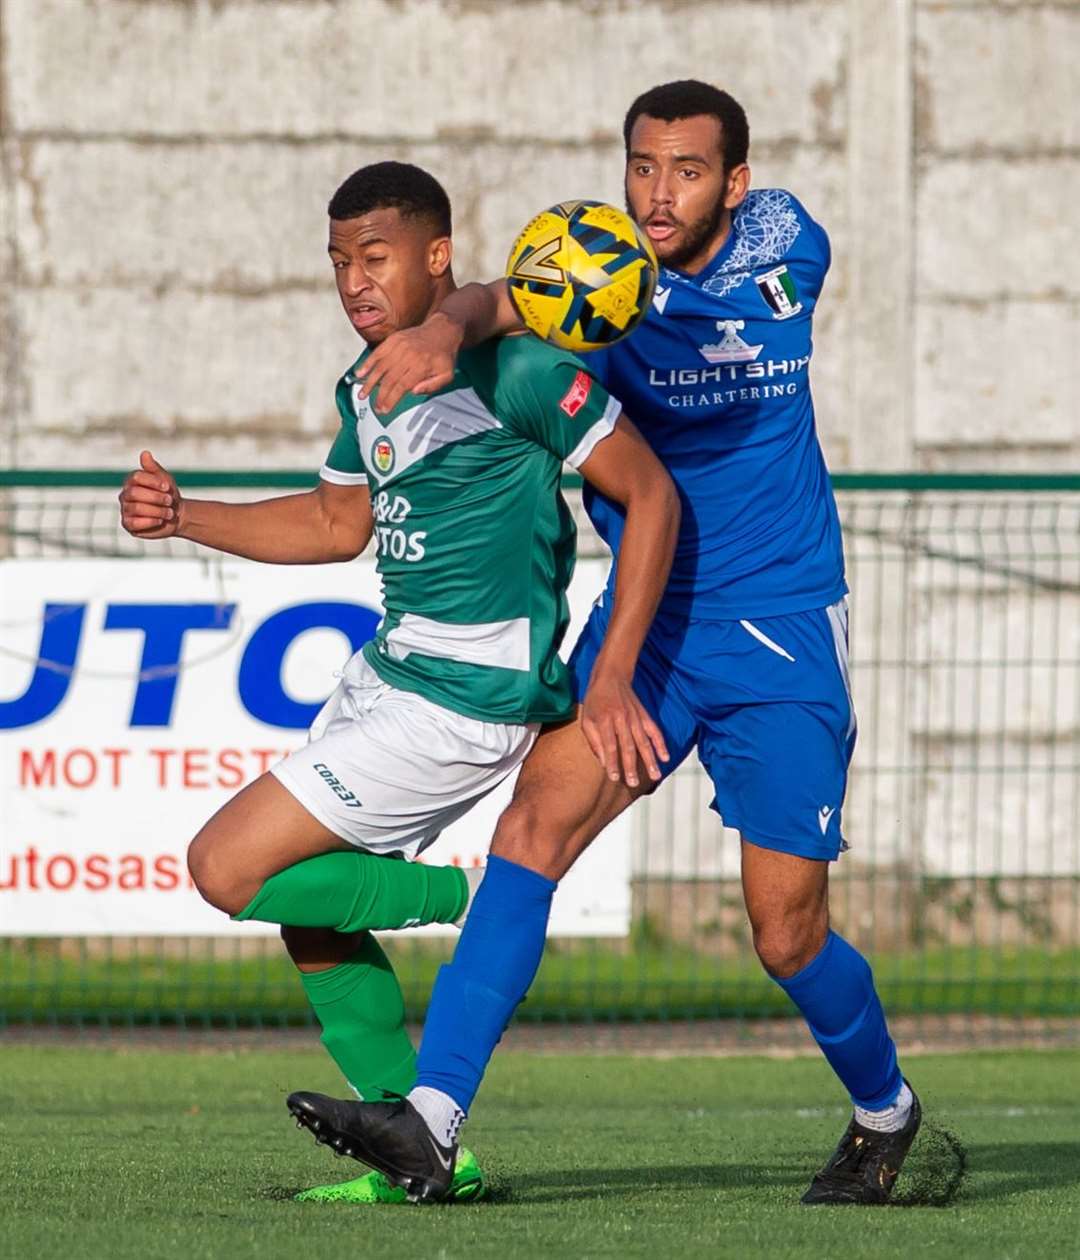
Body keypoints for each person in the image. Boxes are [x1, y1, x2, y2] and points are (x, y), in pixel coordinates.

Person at [287, 82, 922, 1207]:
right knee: (530, 831)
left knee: (784, 934)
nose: (658, 191)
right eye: (641, 167)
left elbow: (746, 255)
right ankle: (432, 1122)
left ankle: (886, 1108)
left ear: (734, 179)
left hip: (780, 627)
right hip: (652, 621)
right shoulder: (588, 283)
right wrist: (444, 325)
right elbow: (500, 298)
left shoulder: (788, 239)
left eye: (686, 169)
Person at [118, 160, 678, 1204]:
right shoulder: (365, 385)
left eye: (375, 258)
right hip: (388, 674)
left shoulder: (517, 370)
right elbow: (338, 525)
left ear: (437, 256)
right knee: (309, 915)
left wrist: (612, 677)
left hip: (463, 699)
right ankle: (424, 1151)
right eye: (339, 263)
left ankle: (464, 896)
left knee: (224, 869)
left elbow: (652, 498)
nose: (355, 281)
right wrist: (184, 514)